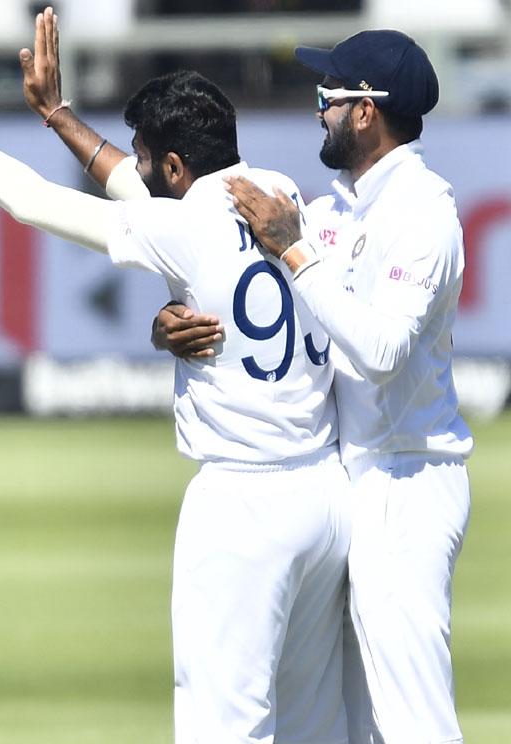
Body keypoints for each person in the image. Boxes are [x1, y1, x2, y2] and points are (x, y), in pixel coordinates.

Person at [0, 27, 352, 743]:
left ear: (173, 165)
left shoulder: (184, 227)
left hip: (244, 502)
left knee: (223, 725)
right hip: (326, 496)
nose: (132, 169)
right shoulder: (281, 193)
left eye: (145, 158)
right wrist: (56, 113)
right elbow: (138, 193)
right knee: (313, 726)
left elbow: (35, 202)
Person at [222, 31, 473, 744]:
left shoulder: (425, 212)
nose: (317, 111)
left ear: (366, 112)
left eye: (325, 96)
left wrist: (297, 251)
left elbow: (384, 349)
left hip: (407, 479)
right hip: (350, 479)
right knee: (355, 723)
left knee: (411, 721)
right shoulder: (336, 206)